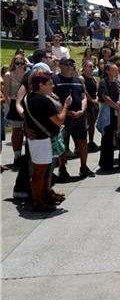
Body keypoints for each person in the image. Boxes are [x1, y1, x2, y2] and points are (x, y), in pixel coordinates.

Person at [23, 72, 71, 212]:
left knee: (42, 172)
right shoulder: (44, 101)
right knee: (39, 173)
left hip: (39, 140)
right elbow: (59, 120)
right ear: (40, 85)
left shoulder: (28, 98)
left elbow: (26, 118)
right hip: (42, 141)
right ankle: (38, 202)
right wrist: (66, 106)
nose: (52, 86)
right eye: (49, 84)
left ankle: (44, 196)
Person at [52, 58, 93, 180]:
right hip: (64, 116)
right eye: (68, 64)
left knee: (82, 141)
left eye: (72, 64)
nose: (71, 66)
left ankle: (84, 167)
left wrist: (82, 109)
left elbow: (84, 96)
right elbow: (53, 99)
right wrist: (66, 111)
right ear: (60, 65)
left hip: (79, 116)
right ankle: (62, 169)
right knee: (63, 143)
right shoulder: (55, 80)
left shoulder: (77, 80)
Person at [3, 55, 28, 167]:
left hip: (25, 103)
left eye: (22, 63)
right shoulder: (9, 75)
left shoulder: (27, 74)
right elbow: (6, 92)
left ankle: (27, 155)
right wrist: (10, 106)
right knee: (17, 131)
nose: (20, 65)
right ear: (14, 63)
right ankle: (17, 155)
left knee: (26, 130)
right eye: (17, 63)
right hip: (13, 103)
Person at [97, 62, 120, 171]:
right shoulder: (103, 82)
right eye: (114, 69)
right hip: (108, 112)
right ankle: (106, 163)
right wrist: (116, 107)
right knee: (107, 138)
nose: (116, 71)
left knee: (119, 136)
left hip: (117, 114)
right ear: (107, 71)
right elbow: (105, 96)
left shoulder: (117, 82)